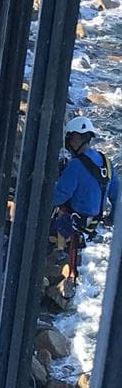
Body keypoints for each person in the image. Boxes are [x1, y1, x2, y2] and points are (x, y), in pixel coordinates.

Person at [52, 115, 119, 281]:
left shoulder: (75, 165)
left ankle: (58, 267)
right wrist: (111, 218)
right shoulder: (106, 163)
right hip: (91, 227)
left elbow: (58, 196)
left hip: (72, 225)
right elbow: (118, 197)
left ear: (74, 139)